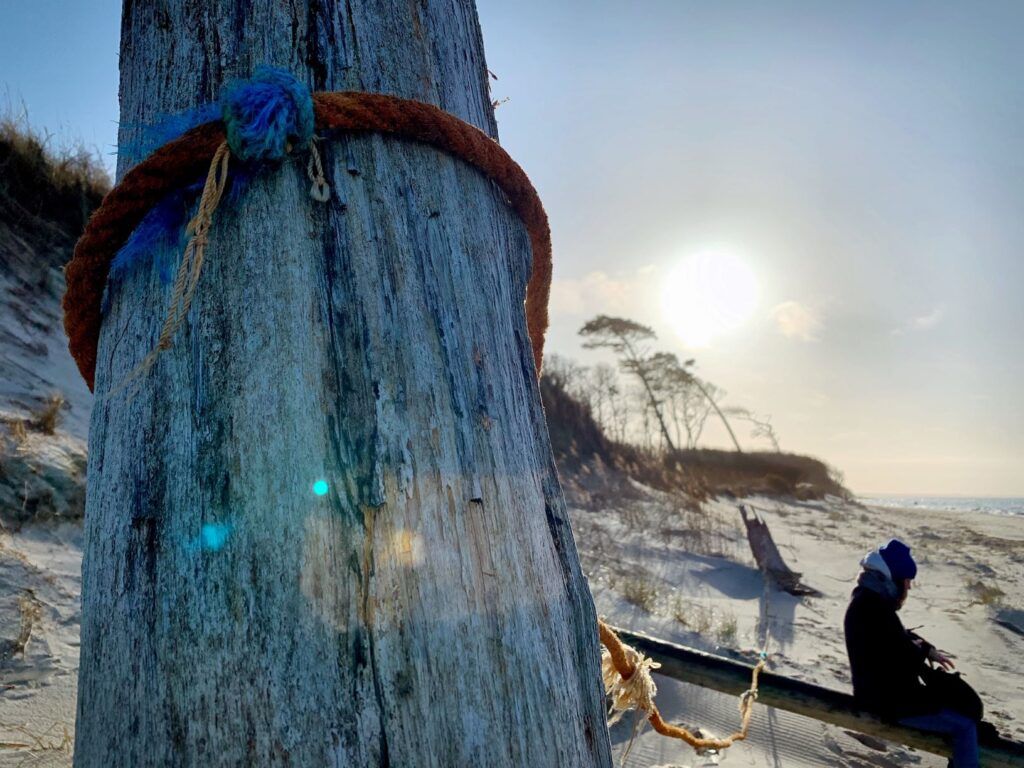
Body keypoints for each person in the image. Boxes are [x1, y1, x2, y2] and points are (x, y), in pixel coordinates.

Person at [844, 538, 979, 768]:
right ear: (891, 578)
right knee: (964, 726)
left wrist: (927, 649)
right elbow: (901, 656)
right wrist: (921, 653)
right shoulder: (873, 607)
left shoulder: (867, 600)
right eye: (906, 581)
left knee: (958, 714)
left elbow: (896, 637)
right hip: (886, 703)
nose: (907, 587)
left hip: (883, 695)